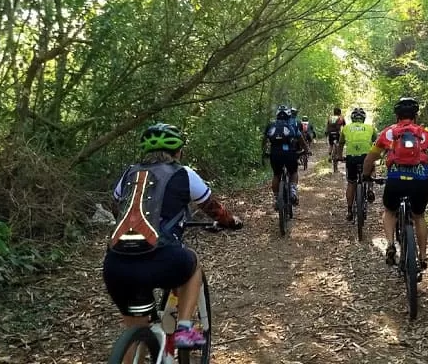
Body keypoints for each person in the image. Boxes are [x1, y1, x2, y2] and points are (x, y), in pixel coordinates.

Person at [103, 123, 243, 352]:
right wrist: (232, 222)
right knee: (193, 265)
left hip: (116, 264)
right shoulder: (184, 173)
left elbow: (115, 205)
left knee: (134, 334)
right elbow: (213, 208)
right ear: (178, 151)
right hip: (161, 258)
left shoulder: (129, 172)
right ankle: (185, 329)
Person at [361, 97, 428, 272]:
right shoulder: (425, 133)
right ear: (415, 115)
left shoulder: (388, 133)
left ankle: (390, 244)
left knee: (389, 211)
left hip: (395, 180)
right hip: (419, 182)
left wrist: (366, 175)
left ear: (397, 115)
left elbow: (371, 158)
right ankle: (423, 257)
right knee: (419, 216)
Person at [337, 108, 377, 221]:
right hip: (366, 157)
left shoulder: (346, 128)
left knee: (351, 182)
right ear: (363, 119)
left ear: (352, 118)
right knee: (372, 167)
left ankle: (349, 210)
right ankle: (370, 188)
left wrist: (339, 156)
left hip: (351, 158)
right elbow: (376, 141)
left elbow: (340, 144)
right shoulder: (370, 128)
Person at [264, 105, 309, 206]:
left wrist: (266, 153)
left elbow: (266, 141)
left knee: (276, 174)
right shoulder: (293, 125)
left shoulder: (271, 125)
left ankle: (276, 198)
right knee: (293, 172)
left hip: (275, 153)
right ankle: (293, 191)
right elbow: (300, 139)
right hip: (289, 153)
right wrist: (306, 150)